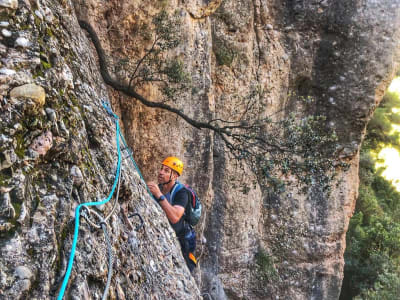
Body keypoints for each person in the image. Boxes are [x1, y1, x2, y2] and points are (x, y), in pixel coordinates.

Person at [147, 156, 197, 272]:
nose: (160, 172)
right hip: (167, 234)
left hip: (183, 239)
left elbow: (175, 217)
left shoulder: (182, 193)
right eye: (161, 169)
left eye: (166, 171)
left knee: (185, 270)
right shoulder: (159, 188)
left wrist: (159, 195)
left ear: (174, 176)